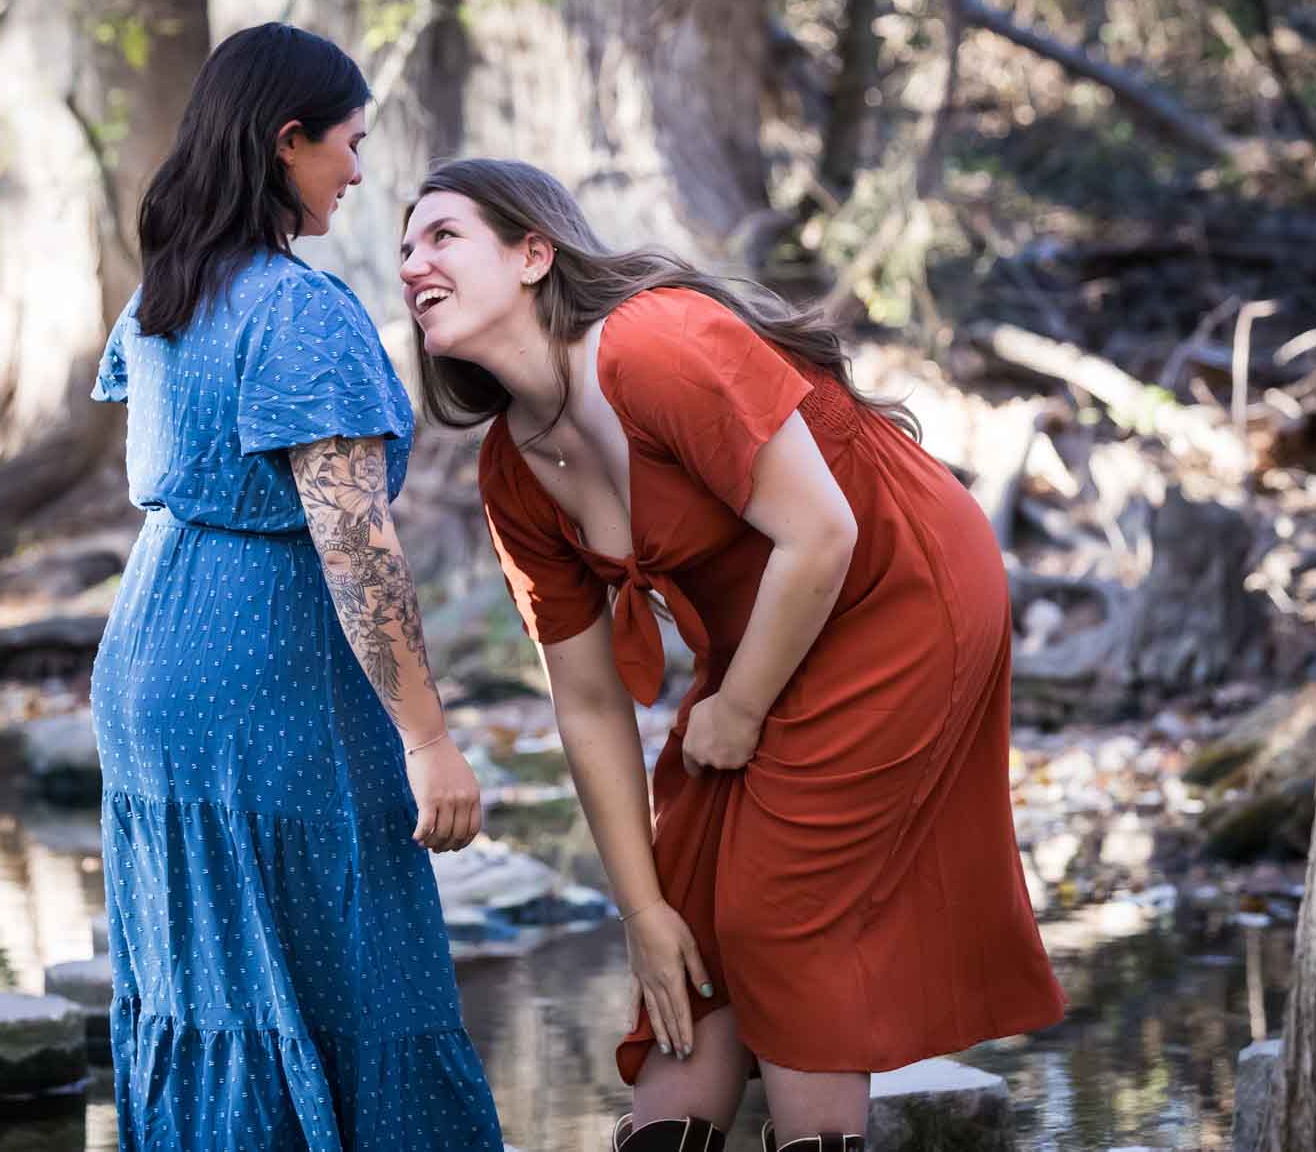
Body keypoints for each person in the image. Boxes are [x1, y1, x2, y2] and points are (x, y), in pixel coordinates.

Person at [398, 158, 1065, 1152]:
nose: (412, 262)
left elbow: (823, 535)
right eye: (403, 247)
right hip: (773, 628)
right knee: (687, 915)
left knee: (779, 912)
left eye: (440, 235)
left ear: (534, 253)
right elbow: (584, 701)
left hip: (899, 590)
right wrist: (636, 910)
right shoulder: (512, 471)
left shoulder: (654, 346)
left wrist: (739, 708)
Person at [89, 25, 502, 1150]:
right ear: (286, 142)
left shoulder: (168, 293)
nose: (358, 174)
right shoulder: (297, 311)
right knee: (357, 975)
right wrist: (427, 738)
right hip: (264, 677)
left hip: (147, 665)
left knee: (207, 986)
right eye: (349, 146)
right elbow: (354, 544)